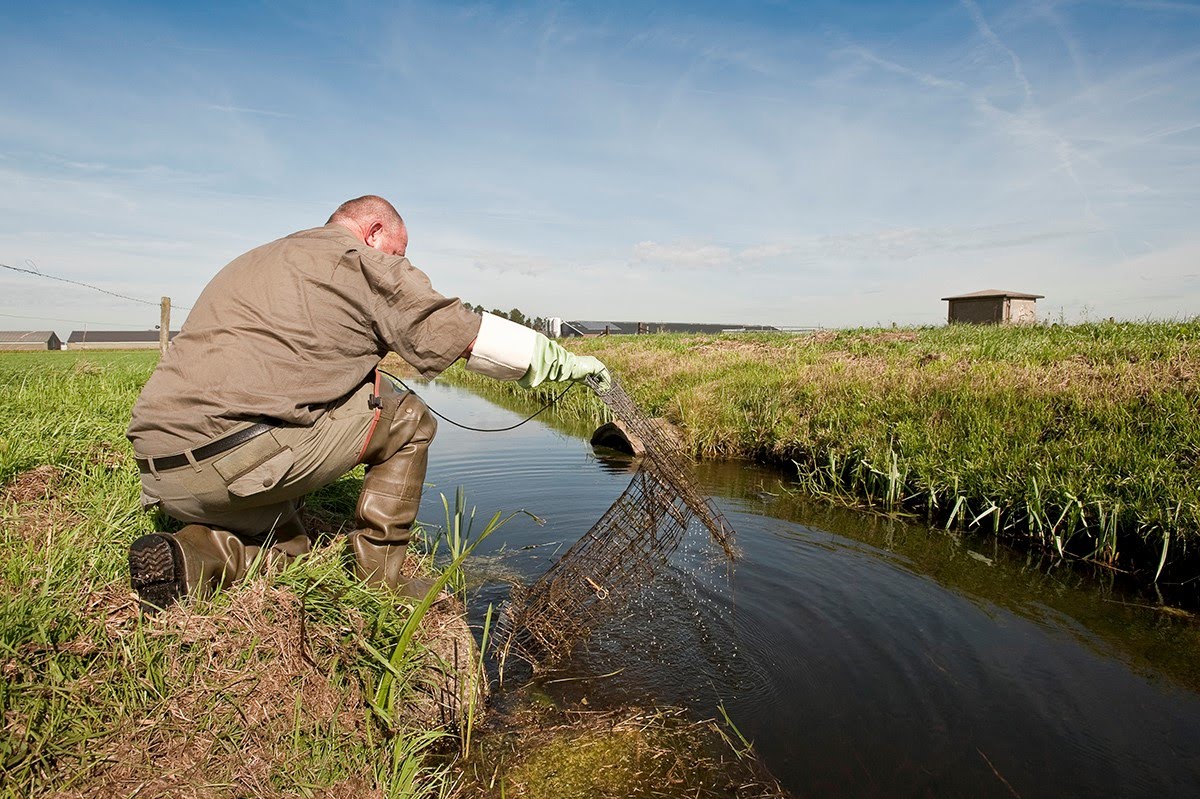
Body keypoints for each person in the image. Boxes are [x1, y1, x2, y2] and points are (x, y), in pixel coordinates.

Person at [126, 195, 607, 610]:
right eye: (399, 252)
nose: (399, 262)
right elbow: (458, 332)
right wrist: (558, 362)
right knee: (408, 417)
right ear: (375, 232)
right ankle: (383, 581)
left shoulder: (259, 258)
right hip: (239, 459)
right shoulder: (358, 260)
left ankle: (189, 560)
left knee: (293, 544)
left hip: (162, 471)